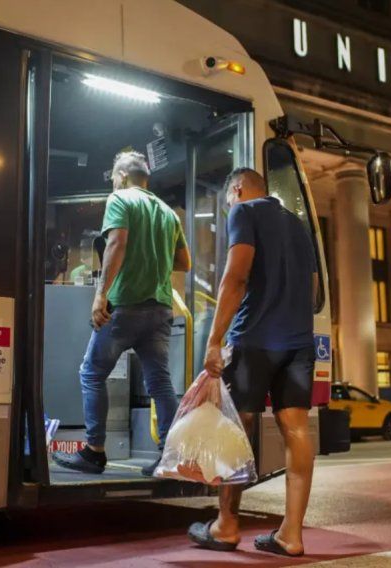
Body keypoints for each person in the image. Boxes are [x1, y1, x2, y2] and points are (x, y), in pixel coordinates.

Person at [187, 168, 317, 558]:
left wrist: (214, 340)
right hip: (298, 342)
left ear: (238, 190)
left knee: (236, 426)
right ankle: (290, 534)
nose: (229, 207)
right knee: (296, 429)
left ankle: (226, 525)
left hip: (255, 339)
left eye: (229, 200)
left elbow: (235, 276)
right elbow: (310, 290)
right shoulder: (298, 225)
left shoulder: (245, 212)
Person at [52, 151, 190, 477]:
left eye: (114, 176)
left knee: (91, 372)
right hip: (159, 308)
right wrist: (152, 258)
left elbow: (116, 243)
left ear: (124, 177)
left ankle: (94, 451)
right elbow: (184, 262)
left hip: (125, 306)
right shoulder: (169, 213)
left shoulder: (120, 199)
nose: (113, 182)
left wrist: (101, 295)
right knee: (159, 382)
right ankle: (169, 456)